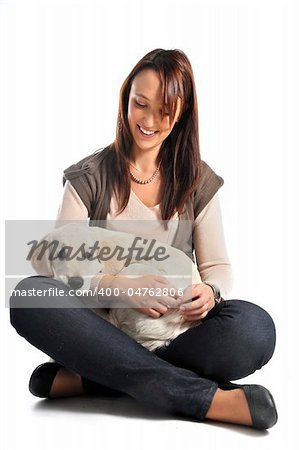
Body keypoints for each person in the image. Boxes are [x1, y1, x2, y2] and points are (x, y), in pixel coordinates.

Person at [9, 48, 278, 430]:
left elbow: (217, 267)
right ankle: (199, 397)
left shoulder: (197, 181)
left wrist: (212, 293)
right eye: (140, 104)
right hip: (98, 328)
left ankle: (96, 377)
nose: (149, 121)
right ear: (125, 102)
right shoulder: (88, 178)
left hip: (172, 332)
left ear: (182, 112)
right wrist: (120, 288)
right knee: (30, 295)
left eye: (164, 110)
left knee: (254, 328)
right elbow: (58, 266)